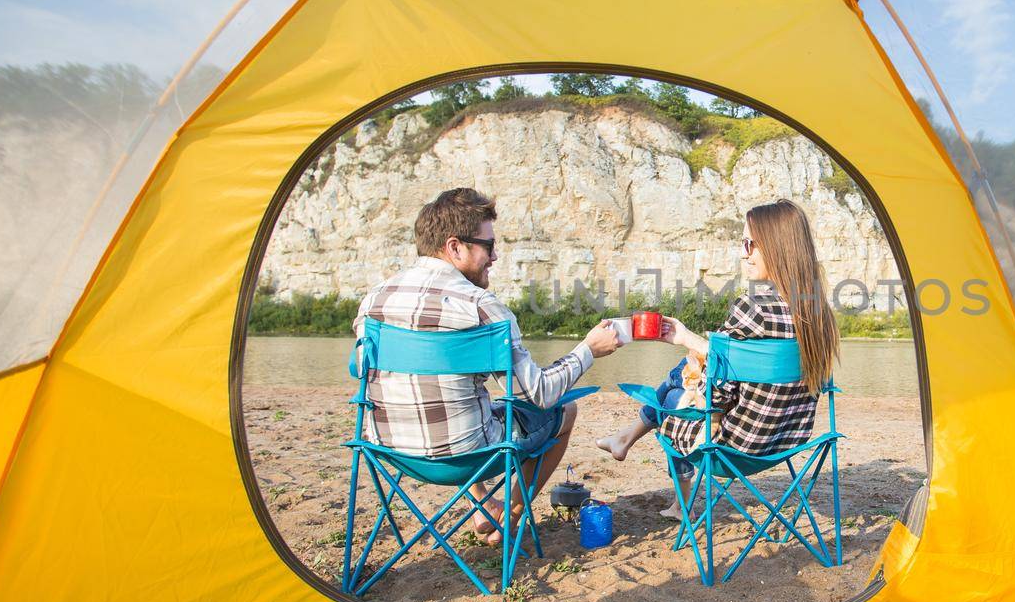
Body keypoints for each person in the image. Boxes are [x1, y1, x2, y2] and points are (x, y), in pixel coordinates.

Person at [355, 187, 620, 543]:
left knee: (464, 401)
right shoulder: (481, 307)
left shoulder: (374, 300)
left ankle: (483, 505)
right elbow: (539, 393)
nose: (494, 257)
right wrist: (588, 349)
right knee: (564, 411)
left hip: (389, 449)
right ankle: (508, 514)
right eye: (489, 246)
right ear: (455, 247)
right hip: (466, 455)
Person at [596, 200, 840, 516]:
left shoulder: (754, 308)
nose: (744, 253)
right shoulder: (819, 313)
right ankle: (628, 441)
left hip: (735, 447)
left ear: (777, 247)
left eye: (751, 244)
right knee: (681, 374)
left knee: (671, 396)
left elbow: (717, 394)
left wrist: (686, 344)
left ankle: (679, 503)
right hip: (788, 441)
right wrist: (693, 345)